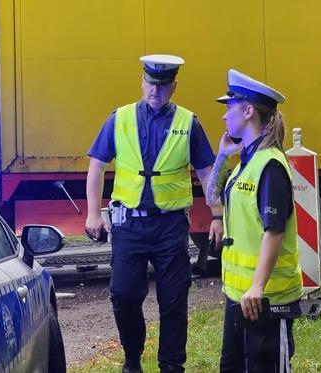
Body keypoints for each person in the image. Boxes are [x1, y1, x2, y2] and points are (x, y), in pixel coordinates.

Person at [85, 55, 223, 373]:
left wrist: (216, 215)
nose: (155, 91)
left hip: (170, 226)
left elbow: (206, 172)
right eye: (150, 84)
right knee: (123, 294)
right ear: (142, 82)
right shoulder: (119, 119)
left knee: (174, 300)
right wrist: (93, 213)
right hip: (129, 225)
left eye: (162, 86)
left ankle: (171, 366)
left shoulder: (188, 123)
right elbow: (97, 166)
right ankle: (132, 358)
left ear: (173, 87)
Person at [206, 69, 303, 372]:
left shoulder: (270, 165)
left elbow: (273, 232)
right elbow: (212, 198)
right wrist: (223, 156)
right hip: (240, 296)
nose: (224, 117)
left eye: (229, 106)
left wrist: (258, 287)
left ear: (248, 111)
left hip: (266, 300)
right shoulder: (245, 162)